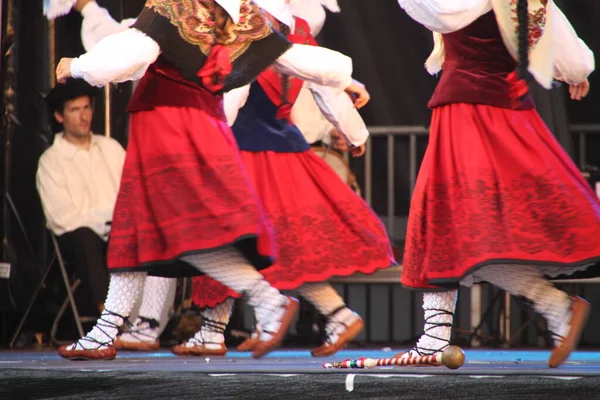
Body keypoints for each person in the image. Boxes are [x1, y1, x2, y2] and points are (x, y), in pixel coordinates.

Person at [53, 0, 370, 360]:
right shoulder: (241, 16)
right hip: (204, 125)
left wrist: (79, 65)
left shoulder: (177, 8)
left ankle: (266, 302)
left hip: (167, 127)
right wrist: (345, 79)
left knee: (186, 233)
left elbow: (134, 50)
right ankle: (107, 329)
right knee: (147, 229)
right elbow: (290, 56)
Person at [176, 11, 395, 358]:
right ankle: (336, 315)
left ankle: (215, 331)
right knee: (286, 247)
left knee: (223, 238)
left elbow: (235, 93)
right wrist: (355, 132)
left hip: (246, 150)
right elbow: (326, 88)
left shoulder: (246, 25)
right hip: (287, 150)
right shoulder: (298, 30)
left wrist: (210, 139)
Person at [394, 0, 599, 368]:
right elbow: (571, 55)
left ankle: (435, 339)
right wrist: (574, 73)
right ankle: (552, 307)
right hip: (507, 113)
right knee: (470, 231)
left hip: (468, 115)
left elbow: (439, 13)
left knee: (451, 222)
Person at [38, 79, 125, 315]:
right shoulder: (51, 161)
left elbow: (131, 194)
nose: (83, 116)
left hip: (119, 232)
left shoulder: (111, 148)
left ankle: (147, 322)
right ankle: (109, 320)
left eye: (86, 108)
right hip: (80, 238)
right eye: (75, 110)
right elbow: (62, 218)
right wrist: (104, 224)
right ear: (59, 116)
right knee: (86, 238)